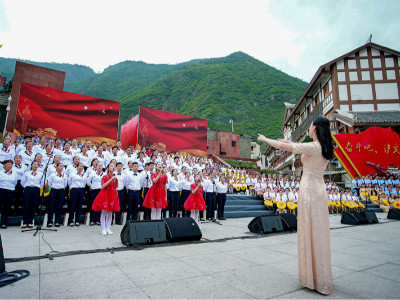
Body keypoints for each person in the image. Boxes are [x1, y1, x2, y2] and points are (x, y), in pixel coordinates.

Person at [258, 116, 333, 295]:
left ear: (315, 128)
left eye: (310, 125)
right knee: (318, 230)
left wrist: (264, 139)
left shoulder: (314, 147)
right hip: (319, 189)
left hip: (309, 190)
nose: (309, 128)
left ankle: (313, 277)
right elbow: (289, 143)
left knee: (310, 230)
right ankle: (319, 275)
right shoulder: (323, 147)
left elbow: (286, 147)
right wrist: (283, 141)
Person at [92, 163, 120, 235]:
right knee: (104, 212)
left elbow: (116, 187)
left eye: (114, 166)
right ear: (107, 168)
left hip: (112, 194)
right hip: (105, 194)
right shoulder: (105, 177)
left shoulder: (115, 177)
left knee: (110, 212)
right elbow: (102, 186)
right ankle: (103, 229)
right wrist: (110, 179)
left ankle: (108, 228)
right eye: (111, 166)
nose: (113, 167)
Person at [21, 161, 44, 228]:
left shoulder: (40, 174)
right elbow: (23, 182)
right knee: (26, 205)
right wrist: (26, 186)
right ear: (31, 165)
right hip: (28, 189)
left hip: (36, 189)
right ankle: (25, 221)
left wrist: (38, 187)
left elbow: (42, 183)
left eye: (37, 165)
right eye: (34, 164)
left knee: (33, 205)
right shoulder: (27, 173)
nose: (35, 166)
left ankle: (30, 221)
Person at [46, 163, 67, 227]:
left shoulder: (64, 175)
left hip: (61, 190)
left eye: (62, 166)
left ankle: (57, 221)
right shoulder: (52, 175)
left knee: (59, 206)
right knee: (51, 206)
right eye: (60, 166)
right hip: (53, 190)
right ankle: (50, 221)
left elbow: (65, 184)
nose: (61, 167)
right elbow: (49, 183)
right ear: (57, 167)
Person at [0, 160, 17, 228]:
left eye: (11, 164)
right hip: (1, 189)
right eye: (8, 164)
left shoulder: (14, 173)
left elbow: (15, 182)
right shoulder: (1, 172)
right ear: (4, 165)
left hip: (10, 190)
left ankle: (3, 222)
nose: (9, 166)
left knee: (6, 207)